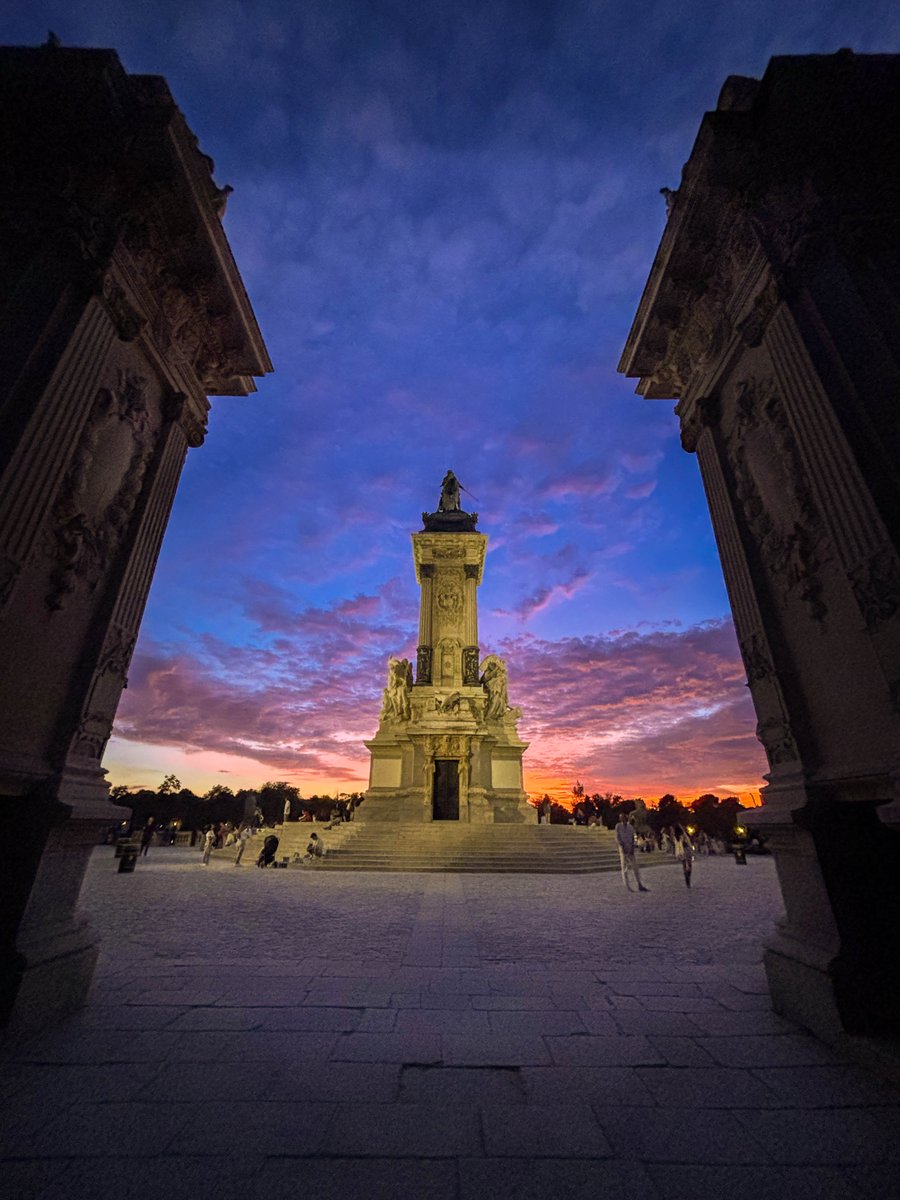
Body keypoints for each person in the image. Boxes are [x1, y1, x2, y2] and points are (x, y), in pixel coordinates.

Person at [615, 810, 649, 893]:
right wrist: (622, 847)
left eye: (623, 817)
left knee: (635, 867)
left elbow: (634, 837)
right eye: (621, 818)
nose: (622, 819)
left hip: (630, 849)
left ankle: (639, 884)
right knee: (625, 868)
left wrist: (633, 846)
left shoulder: (630, 827)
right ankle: (627, 886)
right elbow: (617, 837)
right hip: (623, 850)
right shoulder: (618, 826)